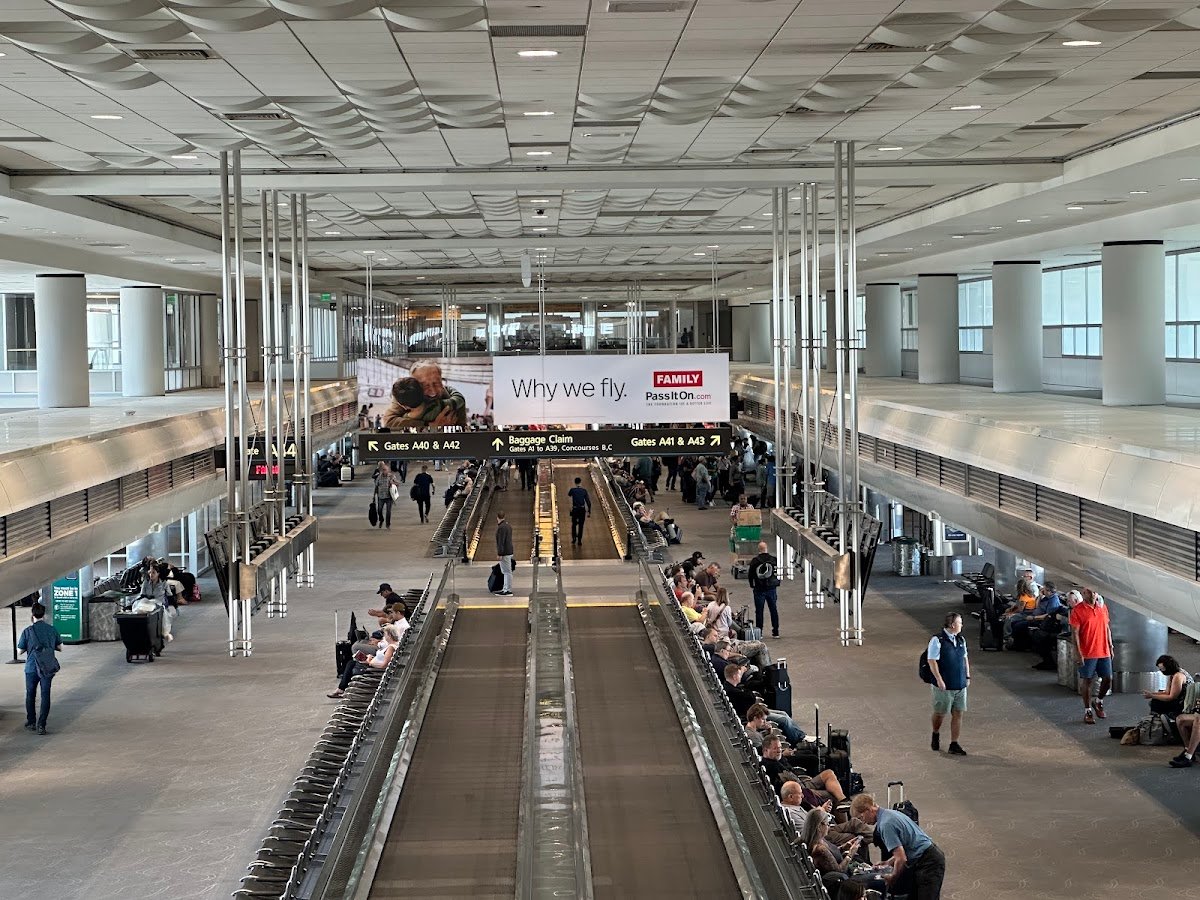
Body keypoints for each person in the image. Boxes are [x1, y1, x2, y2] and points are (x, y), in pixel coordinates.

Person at [849, 794, 946, 899]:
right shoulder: (889, 814)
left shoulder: (886, 825)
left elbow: (901, 859)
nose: (863, 822)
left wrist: (893, 877)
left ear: (869, 810)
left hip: (928, 862)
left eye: (861, 817)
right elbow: (902, 850)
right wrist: (888, 862)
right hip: (925, 857)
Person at [800, 808, 888, 896]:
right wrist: (850, 854)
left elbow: (830, 857)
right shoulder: (819, 849)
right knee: (882, 879)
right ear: (819, 827)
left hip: (846, 876)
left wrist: (844, 847)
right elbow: (839, 870)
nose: (829, 827)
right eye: (827, 824)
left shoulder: (820, 841)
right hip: (846, 882)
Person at [927, 611, 969, 755]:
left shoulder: (961, 640)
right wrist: (939, 679)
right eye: (959, 622)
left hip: (960, 683)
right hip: (944, 685)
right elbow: (931, 660)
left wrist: (967, 676)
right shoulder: (937, 640)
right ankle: (935, 732)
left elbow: (965, 658)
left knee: (958, 713)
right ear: (952, 625)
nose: (962, 625)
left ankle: (954, 743)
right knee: (940, 713)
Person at [1071, 587, 1113, 725]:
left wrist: (1110, 645)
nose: (1094, 594)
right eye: (1090, 592)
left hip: (1103, 650)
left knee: (1108, 679)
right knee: (1087, 681)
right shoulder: (1078, 610)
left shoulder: (1102, 607)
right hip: (1087, 651)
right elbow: (1075, 633)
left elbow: (1107, 627)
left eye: (1095, 592)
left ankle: (1098, 701)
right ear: (1084, 593)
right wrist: (1078, 652)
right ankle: (1087, 710)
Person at [17, 602, 61, 735]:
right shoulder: (51, 629)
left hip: (31, 667)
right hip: (47, 667)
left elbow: (19, 651)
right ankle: (41, 725)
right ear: (44, 615)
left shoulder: (27, 631)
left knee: (30, 694)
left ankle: (31, 721)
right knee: (45, 695)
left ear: (32, 615)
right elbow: (60, 647)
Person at [748, 540, 781, 639]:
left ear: (759, 550)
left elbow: (750, 575)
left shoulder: (755, 561)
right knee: (773, 610)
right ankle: (776, 632)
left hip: (759, 589)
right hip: (771, 589)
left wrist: (752, 585)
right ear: (767, 549)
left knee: (759, 611)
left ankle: (760, 632)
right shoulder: (773, 560)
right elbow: (778, 573)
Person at [372, 461, 398, 529]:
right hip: (381, 496)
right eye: (383, 470)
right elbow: (376, 486)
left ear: (388, 470)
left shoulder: (391, 476)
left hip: (389, 497)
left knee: (388, 511)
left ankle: (388, 524)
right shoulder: (379, 477)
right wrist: (374, 496)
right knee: (379, 510)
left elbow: (397, 484)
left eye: (385, 470)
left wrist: (393, 483)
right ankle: (381, 519)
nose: (384, 471)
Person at [567, 476, 591, 547]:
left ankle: (574, 538)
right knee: (581, 525)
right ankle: (579, 540)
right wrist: (589, 511)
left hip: (575, 509)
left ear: (575, 482)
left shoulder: (572, 490)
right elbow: (588, 501)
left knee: (574, 524)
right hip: (582, 509)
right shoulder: (584, 491)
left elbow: (569, 494)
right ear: (580, 482)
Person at [495, 510, 514, 596]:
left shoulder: (501, 527)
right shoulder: (508, 526)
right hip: (509, 551)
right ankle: (505, 588)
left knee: (507, 572)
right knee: (507, 571)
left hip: (505, 552)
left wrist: (500, 553)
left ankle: (507, 590)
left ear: (497, 518)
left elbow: (501, 541)